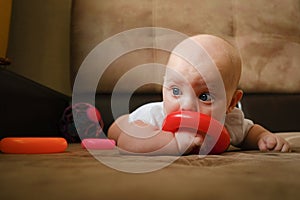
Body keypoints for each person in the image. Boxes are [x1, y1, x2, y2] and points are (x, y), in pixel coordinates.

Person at [108, 34, 291, 155]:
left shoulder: (230, 122)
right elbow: (128, 142)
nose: (187, 106)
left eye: (204, 96)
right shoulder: (155, 117)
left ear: (231, 103)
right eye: (176, 91)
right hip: (132, 124)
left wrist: (263, 138)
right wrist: (174, 144)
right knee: (117, 128)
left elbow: (248, 131)